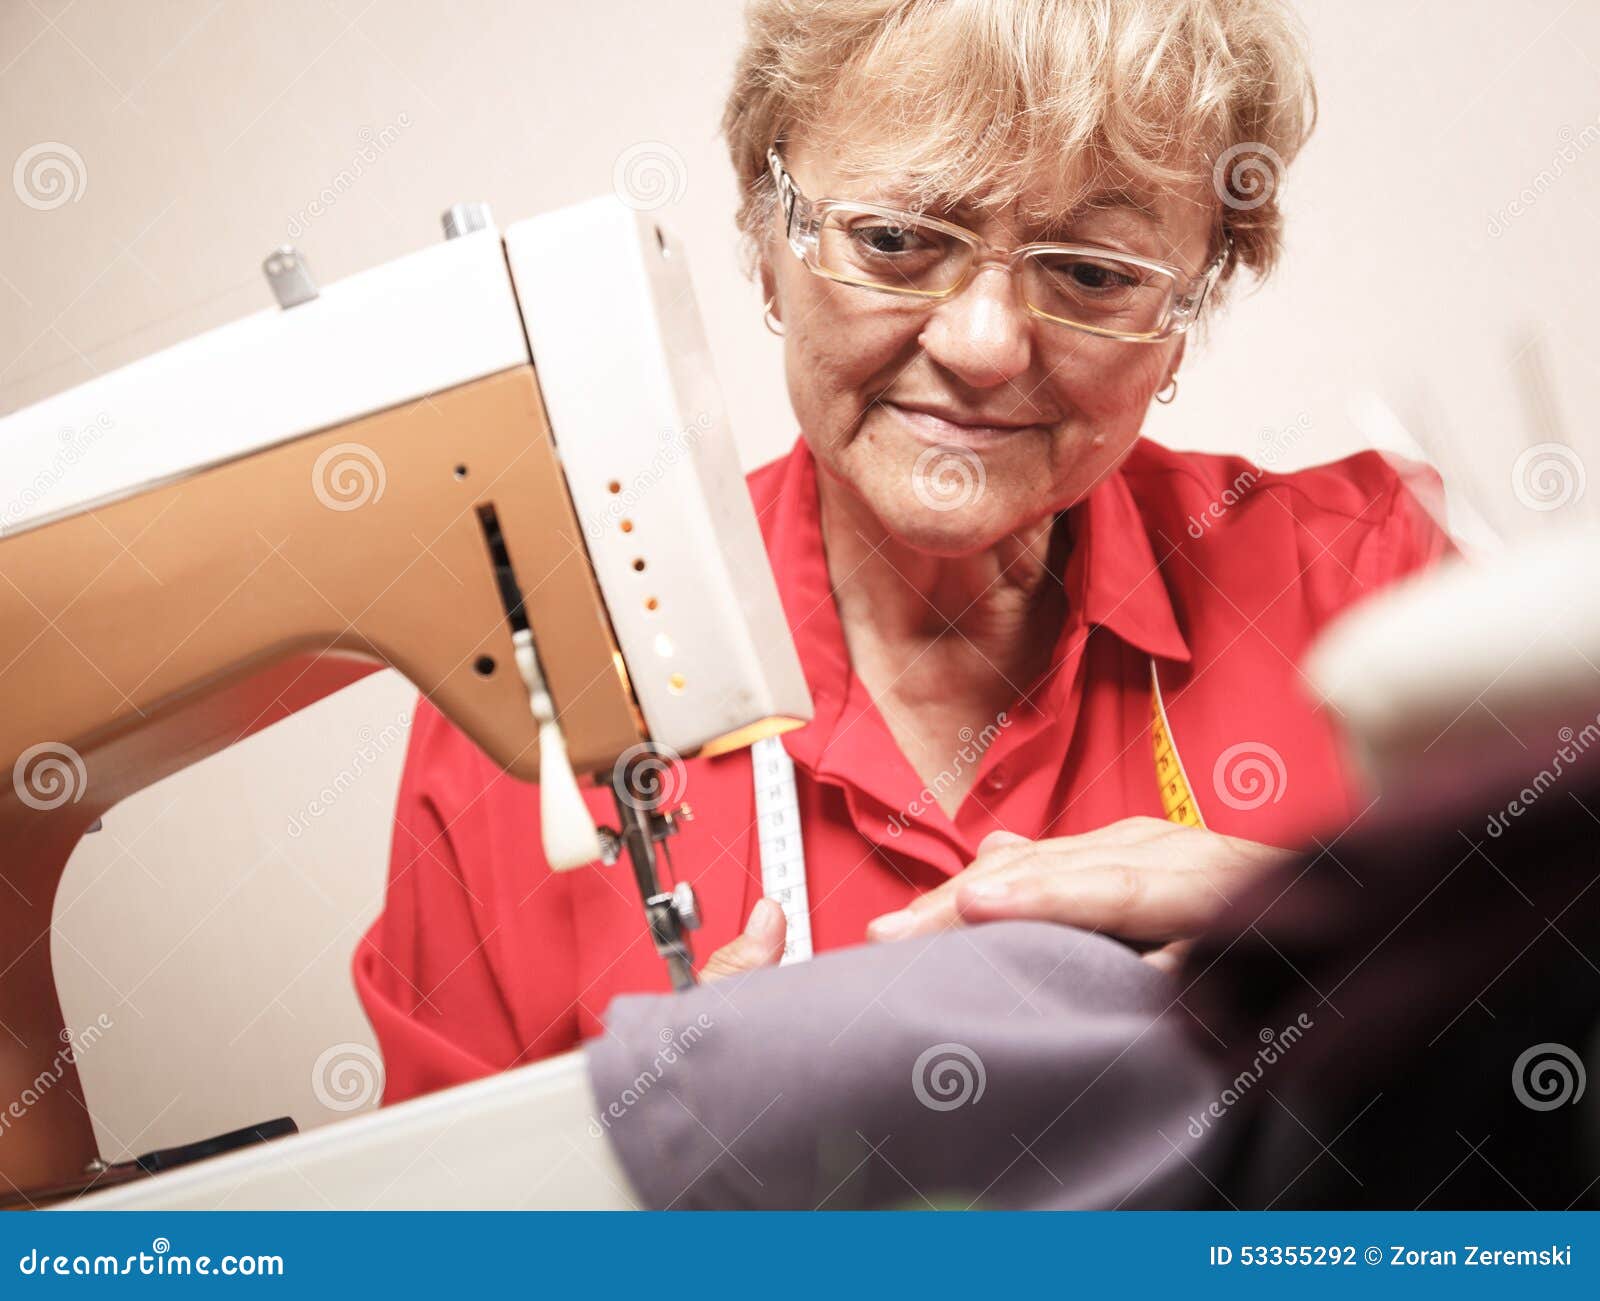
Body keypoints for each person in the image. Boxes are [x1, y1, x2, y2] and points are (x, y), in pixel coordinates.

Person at [355, 0, 1451, 1105]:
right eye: (894, 240)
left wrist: (1316, 932)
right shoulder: (532, 706)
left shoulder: (1374, 593)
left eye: (1094, 274)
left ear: (1186, 313)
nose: (981, 346)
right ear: (763, 240)